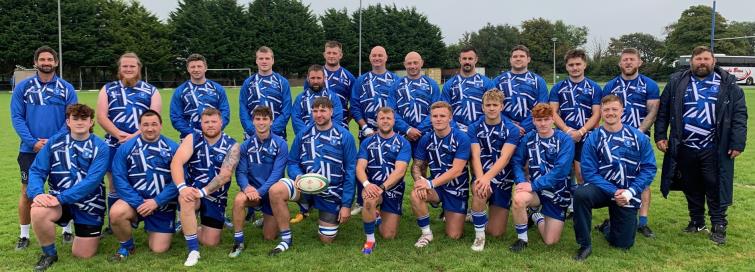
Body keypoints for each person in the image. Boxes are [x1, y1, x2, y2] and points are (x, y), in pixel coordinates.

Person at [655, 46, 747, 245]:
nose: (702, 62)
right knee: (691, 186)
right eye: (698, 59)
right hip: (685, 145)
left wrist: (737, 142)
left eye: (706, 59)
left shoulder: (728, 84)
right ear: (691, 62)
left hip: (715, 146)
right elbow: (663, 111)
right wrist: (660, 135)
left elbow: (739, 115)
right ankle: (697, 221)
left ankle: (718, 225)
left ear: (713, 62)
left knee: (715, 186)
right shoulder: (677, 82)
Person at [267, 97, 357, 256]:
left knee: (326, 239)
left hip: (332, 191)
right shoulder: (303, 134)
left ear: (331, 112)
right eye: (315, 111)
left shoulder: (344, 136)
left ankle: (317, 209)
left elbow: (350, 171)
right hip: (304, 186)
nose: (319, 114)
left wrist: (346, 204)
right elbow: (292, 162)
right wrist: (300, 178)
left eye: (323, 110)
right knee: (276, 191)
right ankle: (286, 238)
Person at [573, 95, 657, 261]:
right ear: (601, 113)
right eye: (606, 110)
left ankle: (607, 226)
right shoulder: (593, 138)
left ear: (622, 111)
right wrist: (615, 191)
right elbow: (589, 172)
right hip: (603, 189)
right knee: (581, 194)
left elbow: (649, 168)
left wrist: (630, 192)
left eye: (614, 109)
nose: (610, 113)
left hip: (628, 193)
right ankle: (585, 244)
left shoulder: (638, 137)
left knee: (623, 244)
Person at [27, 104, 109, 271]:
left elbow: (92, 181)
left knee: (82, 254)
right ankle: (49, 254)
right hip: (58, 202)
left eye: (84, 119)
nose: (80, 122)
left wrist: (60, 198)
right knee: (38, 210)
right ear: (68, 122)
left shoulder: (101, 147)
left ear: (91, 122)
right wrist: (37, 194)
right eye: (75, 118)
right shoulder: (54, 143)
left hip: (89, 204)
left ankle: (89, 232)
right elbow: (37, 170)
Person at [11, 45, 78, 250]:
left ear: (56, 62)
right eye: (42, 60)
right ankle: (24, 235)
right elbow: (17, 117)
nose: (46, 63)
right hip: (30, 150)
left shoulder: (66, 88)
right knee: (27, 192)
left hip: (61, 148)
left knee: (65, 187)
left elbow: (71, 118)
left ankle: (67, 230)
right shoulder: (23, 87)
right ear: (35, 63)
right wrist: (33, 142)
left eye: (50, 59)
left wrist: (53, 142)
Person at [96, 52, 162, 234]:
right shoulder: (108, 89)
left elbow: (155, 116)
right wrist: (118, 134)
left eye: (132, 66)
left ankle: (142, 217)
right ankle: (114, 222)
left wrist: (134, 136)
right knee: (114, 183)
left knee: (143, 180)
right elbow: (101, 116)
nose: (128, 69)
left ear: (138, 68)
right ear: (119, 69)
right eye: (124, 66)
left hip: (144, 144)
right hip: (114, 143)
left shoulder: (151, 90)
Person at [602, 48, 661, 238]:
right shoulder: (611, 85)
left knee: (642, 178)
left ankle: (642, 221)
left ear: (639, 62)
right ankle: (616, 216)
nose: (628, 63)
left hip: (639, 137)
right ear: (620, 63)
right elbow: (606, 111)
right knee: (614, 176)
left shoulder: (649, 84)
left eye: (632, 60)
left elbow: (652, 111)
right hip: (614, 138)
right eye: (625, 60)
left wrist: (637, 133)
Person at [170, 108, 240, 266]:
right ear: (201, 124)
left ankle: (186, 226)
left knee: (211, 242)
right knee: (185, 199)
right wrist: (182, 187)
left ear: (221, 122)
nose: (210, 125)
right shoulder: (192, 138)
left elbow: (225, 175)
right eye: (206, 122)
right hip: (193, 192)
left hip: (215, 197)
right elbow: (177, 162)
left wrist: (203, 192)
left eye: (214, 121)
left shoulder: (232, 145)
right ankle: (193, 250)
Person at [108, 110, 179, 261]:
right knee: (116, 213)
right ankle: (127, 246)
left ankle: (154, 228)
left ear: (161, 125)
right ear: (139, 126)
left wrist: (156, 201)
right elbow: (119, 179)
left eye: (154, 124)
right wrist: (139, 203)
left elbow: (178, 181)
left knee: (159, 249)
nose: (150, 128)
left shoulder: (173, 148)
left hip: (161, 205)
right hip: (135, 203)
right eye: (145, 125)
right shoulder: (126, 148)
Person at [509, 104, 574, 252]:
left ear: (553, 119)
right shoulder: (528, 138)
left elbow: (561, 171)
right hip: (536, 191)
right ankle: (522, 239)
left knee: (550, 241)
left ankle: (536, 216)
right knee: (519, 198)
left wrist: (533, 185)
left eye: (546, 119)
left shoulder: (565, 140)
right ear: (533, 121)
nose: (543, 123)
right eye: (539, 120)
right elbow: (517, 161)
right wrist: (521, 181)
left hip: (558, 192)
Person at [228, 106, 288, 258]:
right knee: (239, 199)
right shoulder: (245, 146)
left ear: (271, 122)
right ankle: (238, 242)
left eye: (265, 119)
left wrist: (260, 192)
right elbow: (240, 172)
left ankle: (265, 218)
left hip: (271, 194)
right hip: (252, 192)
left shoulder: (281, 144)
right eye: (258, 119)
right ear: (253, 121)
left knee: (269, 237)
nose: (261, 123)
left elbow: (276, 174)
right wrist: (247, 187)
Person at [410, 101, 472, 248]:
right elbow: (417, 165)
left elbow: (457, 170)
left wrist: (430, 183)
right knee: (415, 194)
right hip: (437, 188)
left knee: (454, 235)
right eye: (435, 116)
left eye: (442, 116)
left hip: (457, 189)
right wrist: (420, 181)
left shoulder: (461, 138)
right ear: (430, 118)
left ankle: (462, 213)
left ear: (450, 117)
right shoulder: (426, 138)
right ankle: (426, 234)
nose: (438, 119)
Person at [467, 89, 520, 251]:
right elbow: (475, 156)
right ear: (482, 107)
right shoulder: (474, 127)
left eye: (495, 105)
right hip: (481, 175)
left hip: (502, 180)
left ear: (501, 106)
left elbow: (505, 158)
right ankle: (479, 236)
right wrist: (481, 178)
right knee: (479, 190)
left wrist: (487, 178)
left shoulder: (512, 129)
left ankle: (477, 214)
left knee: (496, 232)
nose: (491, 108)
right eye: (488, 105)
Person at [350, 45, 400, 216]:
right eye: (374, 55)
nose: (377, 58)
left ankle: (389, 198)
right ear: (370, 58)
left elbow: (398, 107)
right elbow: (355, 106)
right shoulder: (361, 80)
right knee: (363, 165)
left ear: (386, 58)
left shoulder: (395, 79)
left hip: (389, 132)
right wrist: (365, 127)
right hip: (367, 132)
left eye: (380, 55)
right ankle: (361, 199)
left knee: (389, 165)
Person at [356, 107, 412, 254]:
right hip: (373, 187)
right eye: (382, 118)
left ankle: (377, 217)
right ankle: (370, 240)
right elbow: (360, 167)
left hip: (393, 188)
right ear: (377, 121)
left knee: (389, 235)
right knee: (369, 200)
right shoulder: (367, 142)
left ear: (394, 121)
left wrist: (382, 187)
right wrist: (367, 185)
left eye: (388, 118)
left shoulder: (403, 142)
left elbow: (400, 170)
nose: (385, 121)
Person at [170, 53, 231, 139]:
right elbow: (176, 117)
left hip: (214, 137)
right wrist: (193, 133)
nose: (196, 69)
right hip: (189, 138)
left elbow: (225, 112)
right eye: (192, 67)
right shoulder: (180, 91)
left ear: (205, 68)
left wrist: (214, 130)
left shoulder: (217, 89)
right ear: (188, 69)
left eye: (199, 66)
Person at [493, 45, 549, 134]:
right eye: (515, 56)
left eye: (522, 56)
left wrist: (524, 127)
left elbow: (542, 107)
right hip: (505, 129)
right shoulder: (498, 81)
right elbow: (493, 107)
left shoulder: (538, 81)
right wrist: (510, 125)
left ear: (528, 59)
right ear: (510, 60)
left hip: (532, 131)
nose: (518, 59)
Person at [239, 46, 292, 139]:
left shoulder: (282, 82)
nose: (264, 61)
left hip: (277, 135)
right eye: (261, 58)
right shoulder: (248, 83)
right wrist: (252, 130)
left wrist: (273, 130)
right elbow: (243, 109)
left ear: (273, 60)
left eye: (267, 58)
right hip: (253, 135)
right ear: (256, 61)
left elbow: (286, 109)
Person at [393, 51, 442, 147]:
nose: (412, 66)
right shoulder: (396, 85)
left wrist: (419, 130)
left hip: (426, 136)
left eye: (415, 63)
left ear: (422, 63)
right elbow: (391, 111)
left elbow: (436, 111)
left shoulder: (432, 85)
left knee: (423, 162)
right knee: (400, 162)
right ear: (404, 64)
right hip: (401, 136)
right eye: (409, 63)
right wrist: (407, 129)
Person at [441, 46, 494, 132]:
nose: (467, 61)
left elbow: (493, 108)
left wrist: (476, 126)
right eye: (464, 58)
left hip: (481, 129)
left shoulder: (487, 83)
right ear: (460, 60)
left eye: (470, 58)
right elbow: (444, 110)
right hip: (456, 131)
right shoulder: (449, 84)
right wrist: (456, 128)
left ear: (476, 60)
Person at [292, 64, 344, 135]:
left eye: (319, 78)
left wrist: (325, 134)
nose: (315, 81)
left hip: (328, 139)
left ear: (324, 78)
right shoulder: (300, 98)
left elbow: (338, 118)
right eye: (313, 78)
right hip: (307, 139)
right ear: (308, 78)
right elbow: (296, 119)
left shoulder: (333, 97)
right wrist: (308, 135)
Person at [321, 40, 356, 128]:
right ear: (324, 55)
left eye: (334, 53)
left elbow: (355, 103)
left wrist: (346, 120)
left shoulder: (349, 77)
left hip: (341, 125)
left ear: (340, 55)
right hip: (318, 125)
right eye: (329, 53)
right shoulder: (315, 75)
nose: (331, 56)